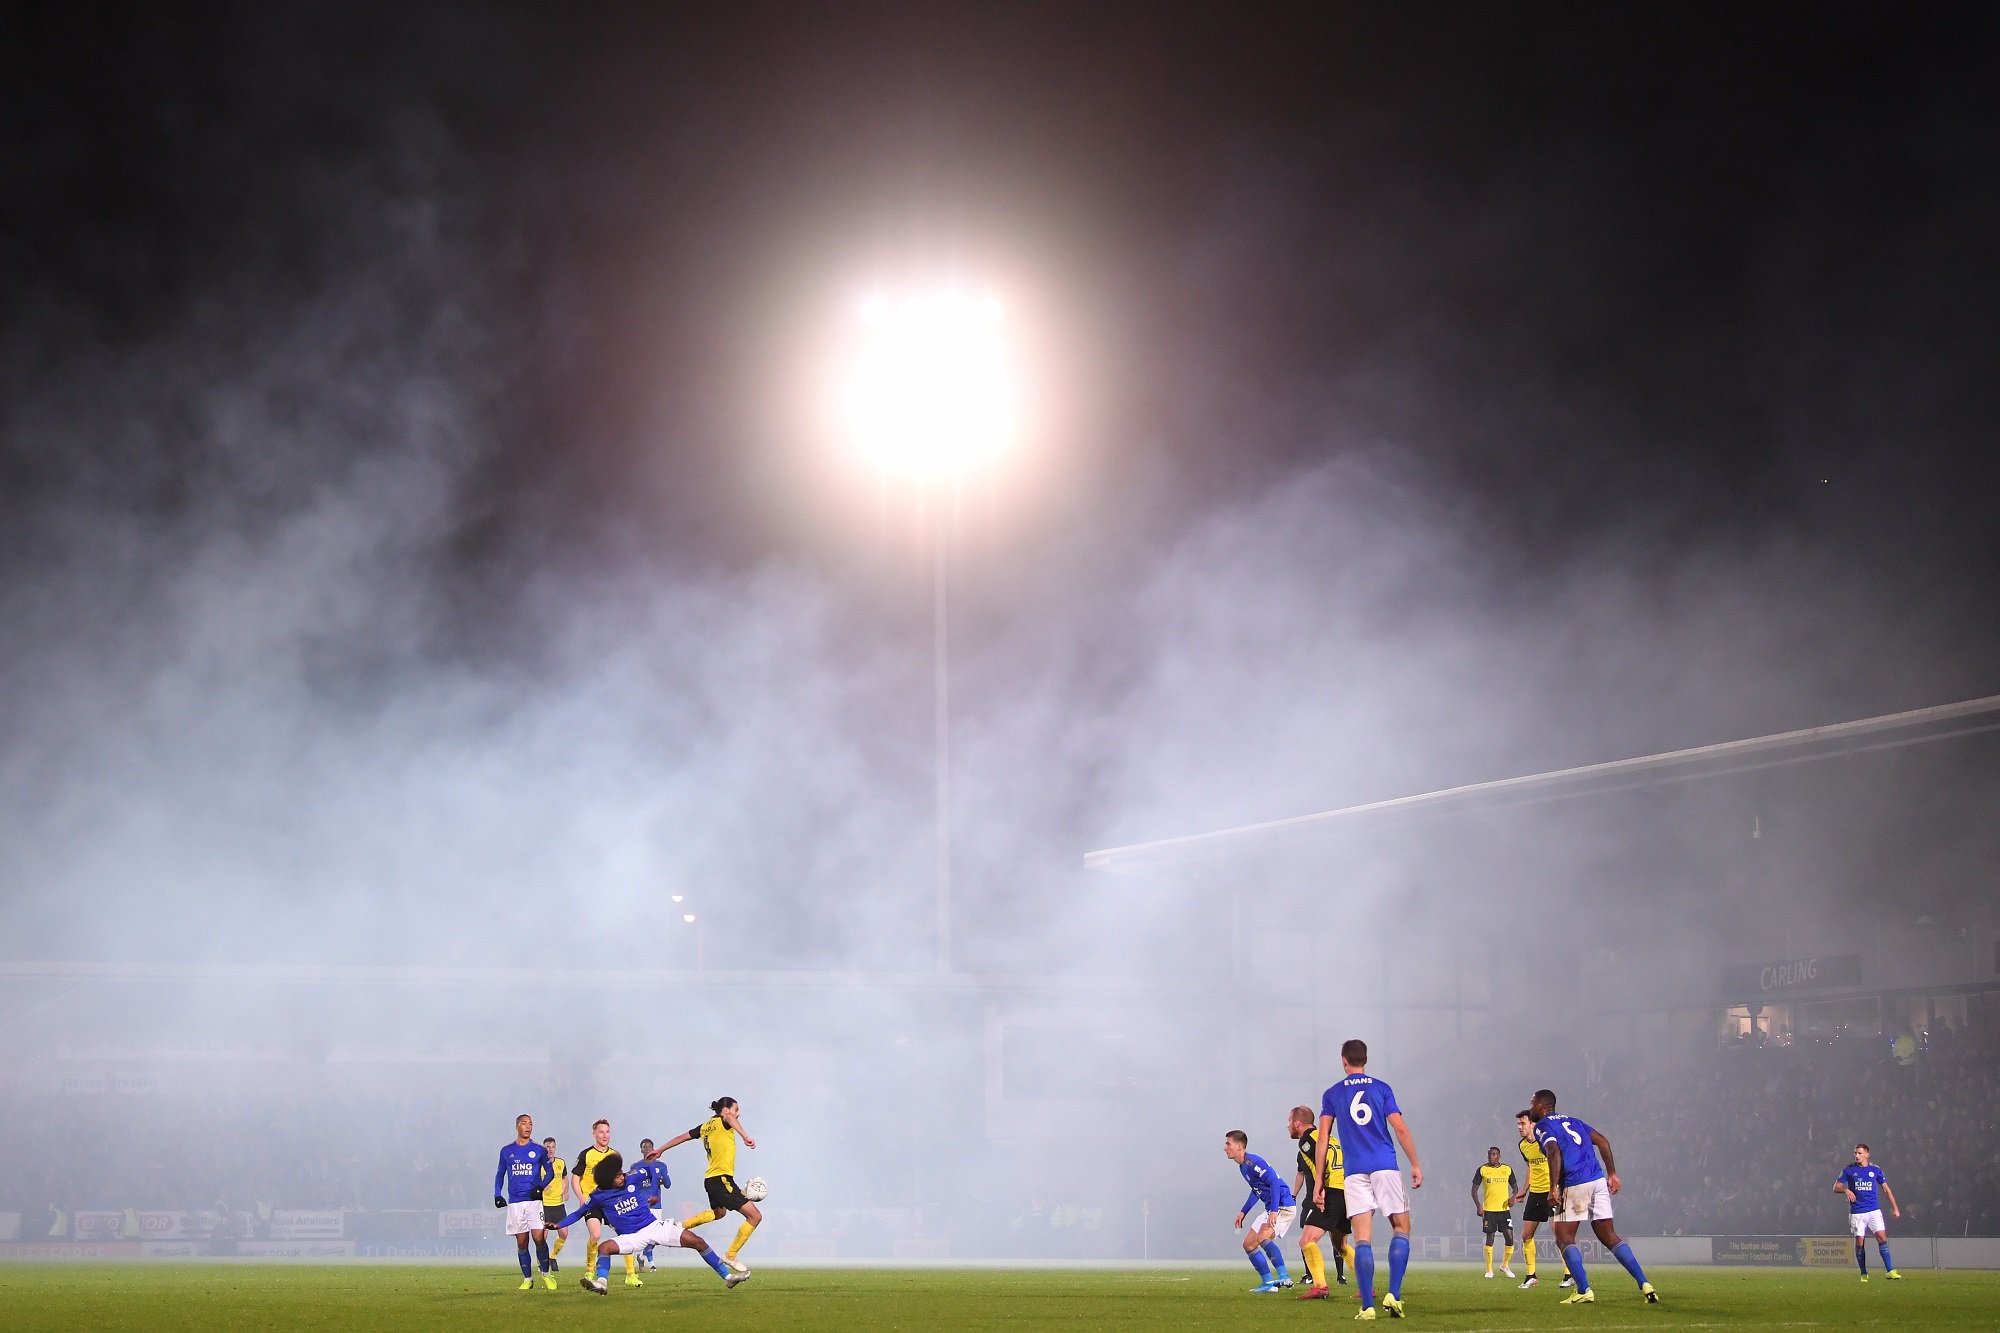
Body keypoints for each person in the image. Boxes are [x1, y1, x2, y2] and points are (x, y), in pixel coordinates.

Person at [1316, 1039, 1421, 1321]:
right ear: (1366, 1059)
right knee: (1401, 1228)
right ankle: (1394, 1294)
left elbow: (1323, 1138)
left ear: (1344, 1060)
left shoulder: (1332, 1094)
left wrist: (1318, 1183)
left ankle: (1366, 1307)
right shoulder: (1381, 1088)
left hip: (1354, 1171)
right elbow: (1399, 1127)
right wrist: (1415, 1163)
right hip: (1384, 1165)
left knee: (1362, 1238)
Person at [1527, 1088, 1658, 1306]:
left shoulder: (1543, 1126)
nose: (1530, 1107)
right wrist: (1612, 1173)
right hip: (1597, 1180)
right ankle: (1645, 1284)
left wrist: (1552, 1188)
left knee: (1563, 1237)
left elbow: (1553, 1151)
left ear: (1541, 1106)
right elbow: (1603, 1141)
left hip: (1575, 1183)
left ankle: (1583, 1290)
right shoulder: (1575, 1121)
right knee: (1610, 1237)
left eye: (1532, 1103)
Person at [554, 1152, 749, 1295]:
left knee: (697, 1241)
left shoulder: (632, 1177)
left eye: (622, 1173)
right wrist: (559, 1224)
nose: (622, 1176)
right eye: (617, 1176)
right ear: (607, 1181)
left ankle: (727, 1278)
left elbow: (651, 1170)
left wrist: (655, 1191)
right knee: (604, 1246)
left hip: (654, 1227)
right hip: (631, 1237)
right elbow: (578, 1213)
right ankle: (602, 1282)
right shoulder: (598, 1196)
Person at [649, 1097, 760, 1274]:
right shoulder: (725, 1120)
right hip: (722, 1179)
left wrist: (661, 1149)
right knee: (755, 1217)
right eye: (736, 1109)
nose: (738, 1114)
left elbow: (681, 1137)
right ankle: (730, 1255)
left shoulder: (705, 1126)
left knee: (719, 1213)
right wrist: (745, 1136)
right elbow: (730, 1118)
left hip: (710, 1179)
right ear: (726, 1110)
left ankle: (681, 1225)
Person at [1288, 1104, 1351, 1298]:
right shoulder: (1328, 1138)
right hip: (1346, 1190)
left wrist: (1319, 1189)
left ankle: (1320, 1286)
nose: (1288, 1126)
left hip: (1331, 1190)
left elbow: (1320, 1161)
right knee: (1341, 1245)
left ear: (1298, 1123)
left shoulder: (1307, 1140)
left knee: (1307, 1240)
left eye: (1289, 1121)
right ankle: (1368, 1288)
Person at [1223, 1130, 1296, 1292]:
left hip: (1283, 1206)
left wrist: (1274, 1211)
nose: (1225, 1147)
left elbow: (1275, 1183)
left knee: (1263, 1236)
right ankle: (1269, 1284)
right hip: (1272, 1208)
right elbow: (1257, 1190)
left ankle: (1284, 1277)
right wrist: (1244, 1212)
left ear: (1240, 1146)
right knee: (1248, 1244)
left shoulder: (1253, 1163)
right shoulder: (1243, 1167)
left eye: (1228, 1143)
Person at [492, 1113, 556, 1290]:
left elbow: (550, 1173)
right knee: (521, 1242)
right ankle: (527, 1279)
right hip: (515, 1203)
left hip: (534, 1202)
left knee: (539, 1238)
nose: (528, 1126)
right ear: (517, 1127)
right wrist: (497, 1194)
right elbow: (500, 1174)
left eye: (531, 1124)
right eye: (524, 1123)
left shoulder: (539, 1150)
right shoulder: (506, 1151)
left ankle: (546, 1274)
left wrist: (540, 1187)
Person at [576, 1118, 643, 1287]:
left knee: (627, 1235)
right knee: (596, 1235)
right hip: (594, 1202)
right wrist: (582, 1198)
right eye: (601, 1132)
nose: (605, 1135)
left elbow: (621, 1179)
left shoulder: (614, 1155)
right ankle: (590, 1269)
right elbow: (575, 1178)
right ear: (594, 1134)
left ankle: (631, 1274)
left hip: (612, 1202)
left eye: (607, 1132)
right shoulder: (586, 1154)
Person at [1834, 1143, 1903, 1280]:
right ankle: (1864, 1273)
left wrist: (1895, 1208)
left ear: (1867, 1154)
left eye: (1860, 1153)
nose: (1857, 1156)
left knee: (1882, 1238)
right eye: (1855, 1153)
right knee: (1860, 1241)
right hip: (1857, 1212)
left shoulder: (1875, 1170)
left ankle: (1890, 1271)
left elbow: (1886, 1189)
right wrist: (1846, 1189)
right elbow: (1836, 1187)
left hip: (1873, 1211)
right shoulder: (1848, 1169)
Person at [1512, 1110, 1560, 1288]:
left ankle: (1568, 1275)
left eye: (1522, 1123)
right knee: (1526, 1235)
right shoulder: (1523, 1145)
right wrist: (1525, 1189)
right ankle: (1531, 1275)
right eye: (1518, 1124)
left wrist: (1556, 1188)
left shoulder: (1546, 1142)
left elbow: (1557, 1162)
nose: (1519, 1127)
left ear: (1533, 1124)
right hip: (1536, 1193)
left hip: (1552, 1191)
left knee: (1560, 1234)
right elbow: (1530, 1167)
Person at [625, 1138, 671, 1273]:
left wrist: (663, 1179)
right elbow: (630, 1185)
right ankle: (651, 1263)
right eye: (645, 1148)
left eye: (650, 1147)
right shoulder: (636, 1166)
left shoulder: (661, 1166)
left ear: (653, 1149)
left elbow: (668, 1184)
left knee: (658, 1236)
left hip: (656, 1206)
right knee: (645, 1234)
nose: (648, 1150)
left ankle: (642, 1255)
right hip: (642, 1206)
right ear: (641, 1150)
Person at [1471, 1146, 1517, 1279]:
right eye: (1490, 1154)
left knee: (1509, 1238)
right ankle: (1489, 1270)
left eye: (1494, 1154)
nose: (1492, 1156)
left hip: (1504, 1211)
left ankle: (1505, 1265)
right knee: (1490, 1238)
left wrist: (1513, 1197)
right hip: (1489, 1210)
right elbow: (1474, 1190)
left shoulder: (1507, 1169)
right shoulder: (1482, 1170)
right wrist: (1479, 1205)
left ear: (1499, 1156)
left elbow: (1515, 1186)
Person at [538, 1137, 569, 1271]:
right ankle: (542, 1263)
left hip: (558, 1204)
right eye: (547, 1147)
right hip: (544, 1204)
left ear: (555, 1148)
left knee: (564, 1233)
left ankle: (553, 1256)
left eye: (552, 1147)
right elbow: (533, 1182)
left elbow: (565, 1178)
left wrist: (566, 1191)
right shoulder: (539, 1164)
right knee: (542, 1236)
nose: (550, 1149)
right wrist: (541, 1187)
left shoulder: (561, 1163)